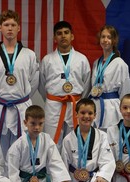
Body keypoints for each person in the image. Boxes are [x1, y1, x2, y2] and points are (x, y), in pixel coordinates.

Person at [0, 9, 39, 159]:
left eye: (13, 25)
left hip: (21, 107)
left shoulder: (29, 55)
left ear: (19, 28)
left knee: (22, 152)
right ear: (0, 28)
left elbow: (33, 82)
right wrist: (1, 96)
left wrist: (20, 97)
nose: (10, 28)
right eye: (6, 24)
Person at [6, 105, 74, 182]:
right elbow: (13, 173)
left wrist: (63, 180)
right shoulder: (17, 146)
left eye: (40, 123)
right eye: (33, 123)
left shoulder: (47, 139)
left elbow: (55, 161)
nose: (37, 127)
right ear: (25, 122)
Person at [38, 21, 91, 152]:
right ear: (55, 38)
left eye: (66, 33)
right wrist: (52, 99)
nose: (63, 36)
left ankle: (73, 172)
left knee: (74, 141)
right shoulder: (47, 60)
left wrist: (78, 100)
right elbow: (41, 84)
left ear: (72, 36)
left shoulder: (82, 59)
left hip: (75, 104)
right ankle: (53, 172)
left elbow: (87, 83)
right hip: (54, 105)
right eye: (59, 34)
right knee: (52, 141)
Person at [61, 98, 116, 182]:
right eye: (83, 113)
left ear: (95, 115)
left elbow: (107, 161)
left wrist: (102, 176)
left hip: (93, 177)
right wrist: (65, 181)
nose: (86, 116)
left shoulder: (102, 136)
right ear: (76, 114)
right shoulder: (68, 139)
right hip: (74, 178)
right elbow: (63, 164)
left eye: (90, 113)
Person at [90, 25, 130, 132]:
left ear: (114, 40)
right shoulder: (96, 63)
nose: (105, 40)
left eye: (109, 37)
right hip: (96, 105)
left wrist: (125, 111)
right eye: (103, 37)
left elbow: (125, 92)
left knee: (110, 141)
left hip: (112, 108)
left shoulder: (120, 64)